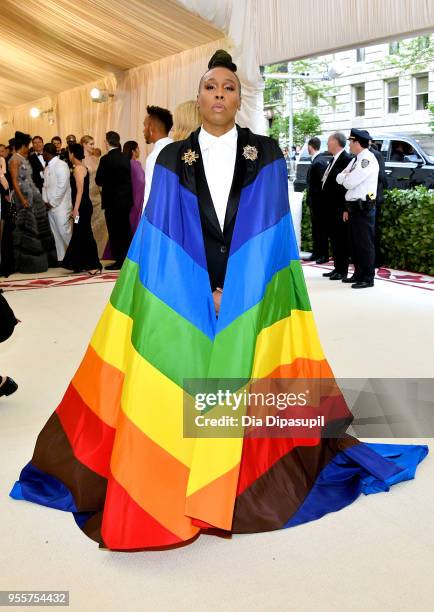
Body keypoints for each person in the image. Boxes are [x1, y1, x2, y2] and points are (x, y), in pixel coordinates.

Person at [10, 51, 427, 551]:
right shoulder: (170, 158)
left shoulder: (267, 154)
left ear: (239, 98)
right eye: (211, 87)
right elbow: (159, 239)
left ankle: (231, 475)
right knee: (182, 374)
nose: (220, 95)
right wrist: (200, 287)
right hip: (182, 290)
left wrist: (236, 289)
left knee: (241, 376)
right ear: (199, 97)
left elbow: (272, 235)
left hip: (250, 290)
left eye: (229, 88)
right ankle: (181, 468)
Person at [8, 131, 57, 273]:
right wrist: (22, 199)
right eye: (27, 145)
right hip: (24, 198)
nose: (28, 148)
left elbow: (29, 180)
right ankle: (28, 262)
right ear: (22, 145)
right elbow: (15, 182)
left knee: (39, 227)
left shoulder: (23, 158)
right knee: (27, 229)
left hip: (33, 197)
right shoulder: (14, 160)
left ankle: (45, 258)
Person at [337, 128, 379, 289]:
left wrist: (345, 177)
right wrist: (345, 176)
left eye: (350, 142)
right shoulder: (355, 160)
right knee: (355, 243)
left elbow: (348, 182)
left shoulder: (366, 160)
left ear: (356, 142)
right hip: (353, 207)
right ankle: (358, 273)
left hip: (364, 208)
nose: (349, 144)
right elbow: (339, 176)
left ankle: (367, 277)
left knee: (364, 244)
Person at [61, 144, 101, 274]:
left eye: (69, 153)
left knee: (85, 233)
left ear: (72, 154)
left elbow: (80, 191)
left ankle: (94, 265)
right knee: (79, 233)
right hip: (83, 205)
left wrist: (75, 209)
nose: (68, 155)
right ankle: (77, 263)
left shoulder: (78, 169)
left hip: (82, 206)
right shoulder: (82, 167)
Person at [95, 131, 132, 270]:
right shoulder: (125, 157)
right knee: (125, 230)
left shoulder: (105, 159)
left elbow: (98, 179)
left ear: (107, 142)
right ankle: (127, 260)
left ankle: (119, 261)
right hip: (126, 201)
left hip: (112, 201)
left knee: (115, 232)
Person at [321, 132, 352, 280]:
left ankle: (342, 270)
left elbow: (346, 187)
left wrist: (346, 208)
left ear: (336, 142)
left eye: (329, 141)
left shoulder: (346, 159)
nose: (327, 144)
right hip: (330, 207)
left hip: (339, 207)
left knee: (341, 239)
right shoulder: (333, 159)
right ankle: (336, 267)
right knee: (334, 238)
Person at [42, 143, 72, 262]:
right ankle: (62, 258)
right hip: (49, 206)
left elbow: (62, 186)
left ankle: (76, 256)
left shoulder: (61, 165)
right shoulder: (48, 167)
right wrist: (45, 202)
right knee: (55, 233)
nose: (42, 155)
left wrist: (52, 203)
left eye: (43, 153)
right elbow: (45, 186)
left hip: (62, 206)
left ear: (46, 153)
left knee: (65, 231)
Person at [81, 135, 107, 258]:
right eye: (90, 144)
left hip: (98, 197)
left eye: (93, 143)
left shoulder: (97, 160)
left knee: (101, 226)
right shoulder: (79, 160)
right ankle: (87, 253)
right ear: (84, 145)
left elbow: (101, 180)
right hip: (86, 197)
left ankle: (99, 254)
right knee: (87, 226)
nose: (93, 146)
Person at [142, 105, 173, 209]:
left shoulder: (154, 157)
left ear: (151, 127)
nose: (143, 130)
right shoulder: (176, 148)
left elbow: (150, 194)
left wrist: (143, 223)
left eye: (144, 126)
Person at [306, 137, 329, 263]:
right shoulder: (317, 160)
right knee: (316, 229)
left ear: (310, 146)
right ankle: (317, 253)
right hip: (315, 203)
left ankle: (323, 255)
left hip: (319, 204)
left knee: (321, 230)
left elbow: (322, 185)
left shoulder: (319, 162)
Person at [369, 141, 387, 268]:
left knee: (373, 231)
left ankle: (375, 260)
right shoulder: (356, 156)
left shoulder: (376, 155)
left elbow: (381, 176)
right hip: (369, 198)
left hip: (373, 197)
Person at [122, 140, 145, 236]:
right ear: (133, 151)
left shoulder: (132, 163)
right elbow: (141, 182)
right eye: (138, 148)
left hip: (132, 199)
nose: (139, 150)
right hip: (136, 200)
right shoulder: (133, 164)